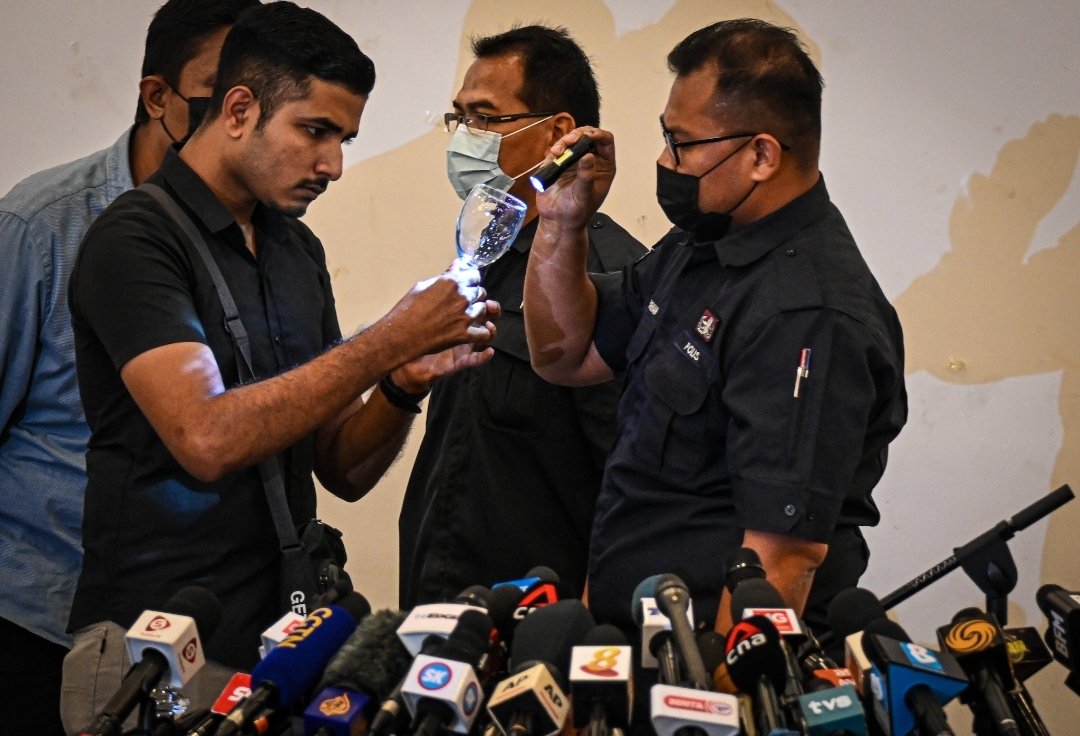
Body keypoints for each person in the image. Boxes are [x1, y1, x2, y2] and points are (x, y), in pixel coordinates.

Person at [65, 0, 497, 711]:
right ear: (239, 109)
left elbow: (341, 468)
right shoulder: (135, 240)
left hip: (282, 647)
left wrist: (400, 383)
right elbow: (205, 438)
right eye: (315, 131)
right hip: (157, 649)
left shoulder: (297, 249)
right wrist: (388, 339)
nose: (333, 164)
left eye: (344, 139)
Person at [523, 18, 907, 640]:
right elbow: (566, 356)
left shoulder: (806, 315)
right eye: (665, 136)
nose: (663, 161)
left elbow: (781, 559)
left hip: (710, 663)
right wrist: (562, 225)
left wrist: (716, 691)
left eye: (681, 143)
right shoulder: (701, 244)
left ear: (761, 156)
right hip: (634, 639)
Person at [0, 1, 257, 731]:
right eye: (220, 91)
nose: (238, 118)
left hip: (192, 629)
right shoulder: (42, 225)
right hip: (36, 621)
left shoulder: (261, 234)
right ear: (158, 97)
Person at [398, 25, 645, 607]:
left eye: (486, 118)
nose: (466, 138)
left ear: (557, 134)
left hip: (537, 626)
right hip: (441, 608)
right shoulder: (485, 257)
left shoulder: (604, 279)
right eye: (460, 118)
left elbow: (630, 487)